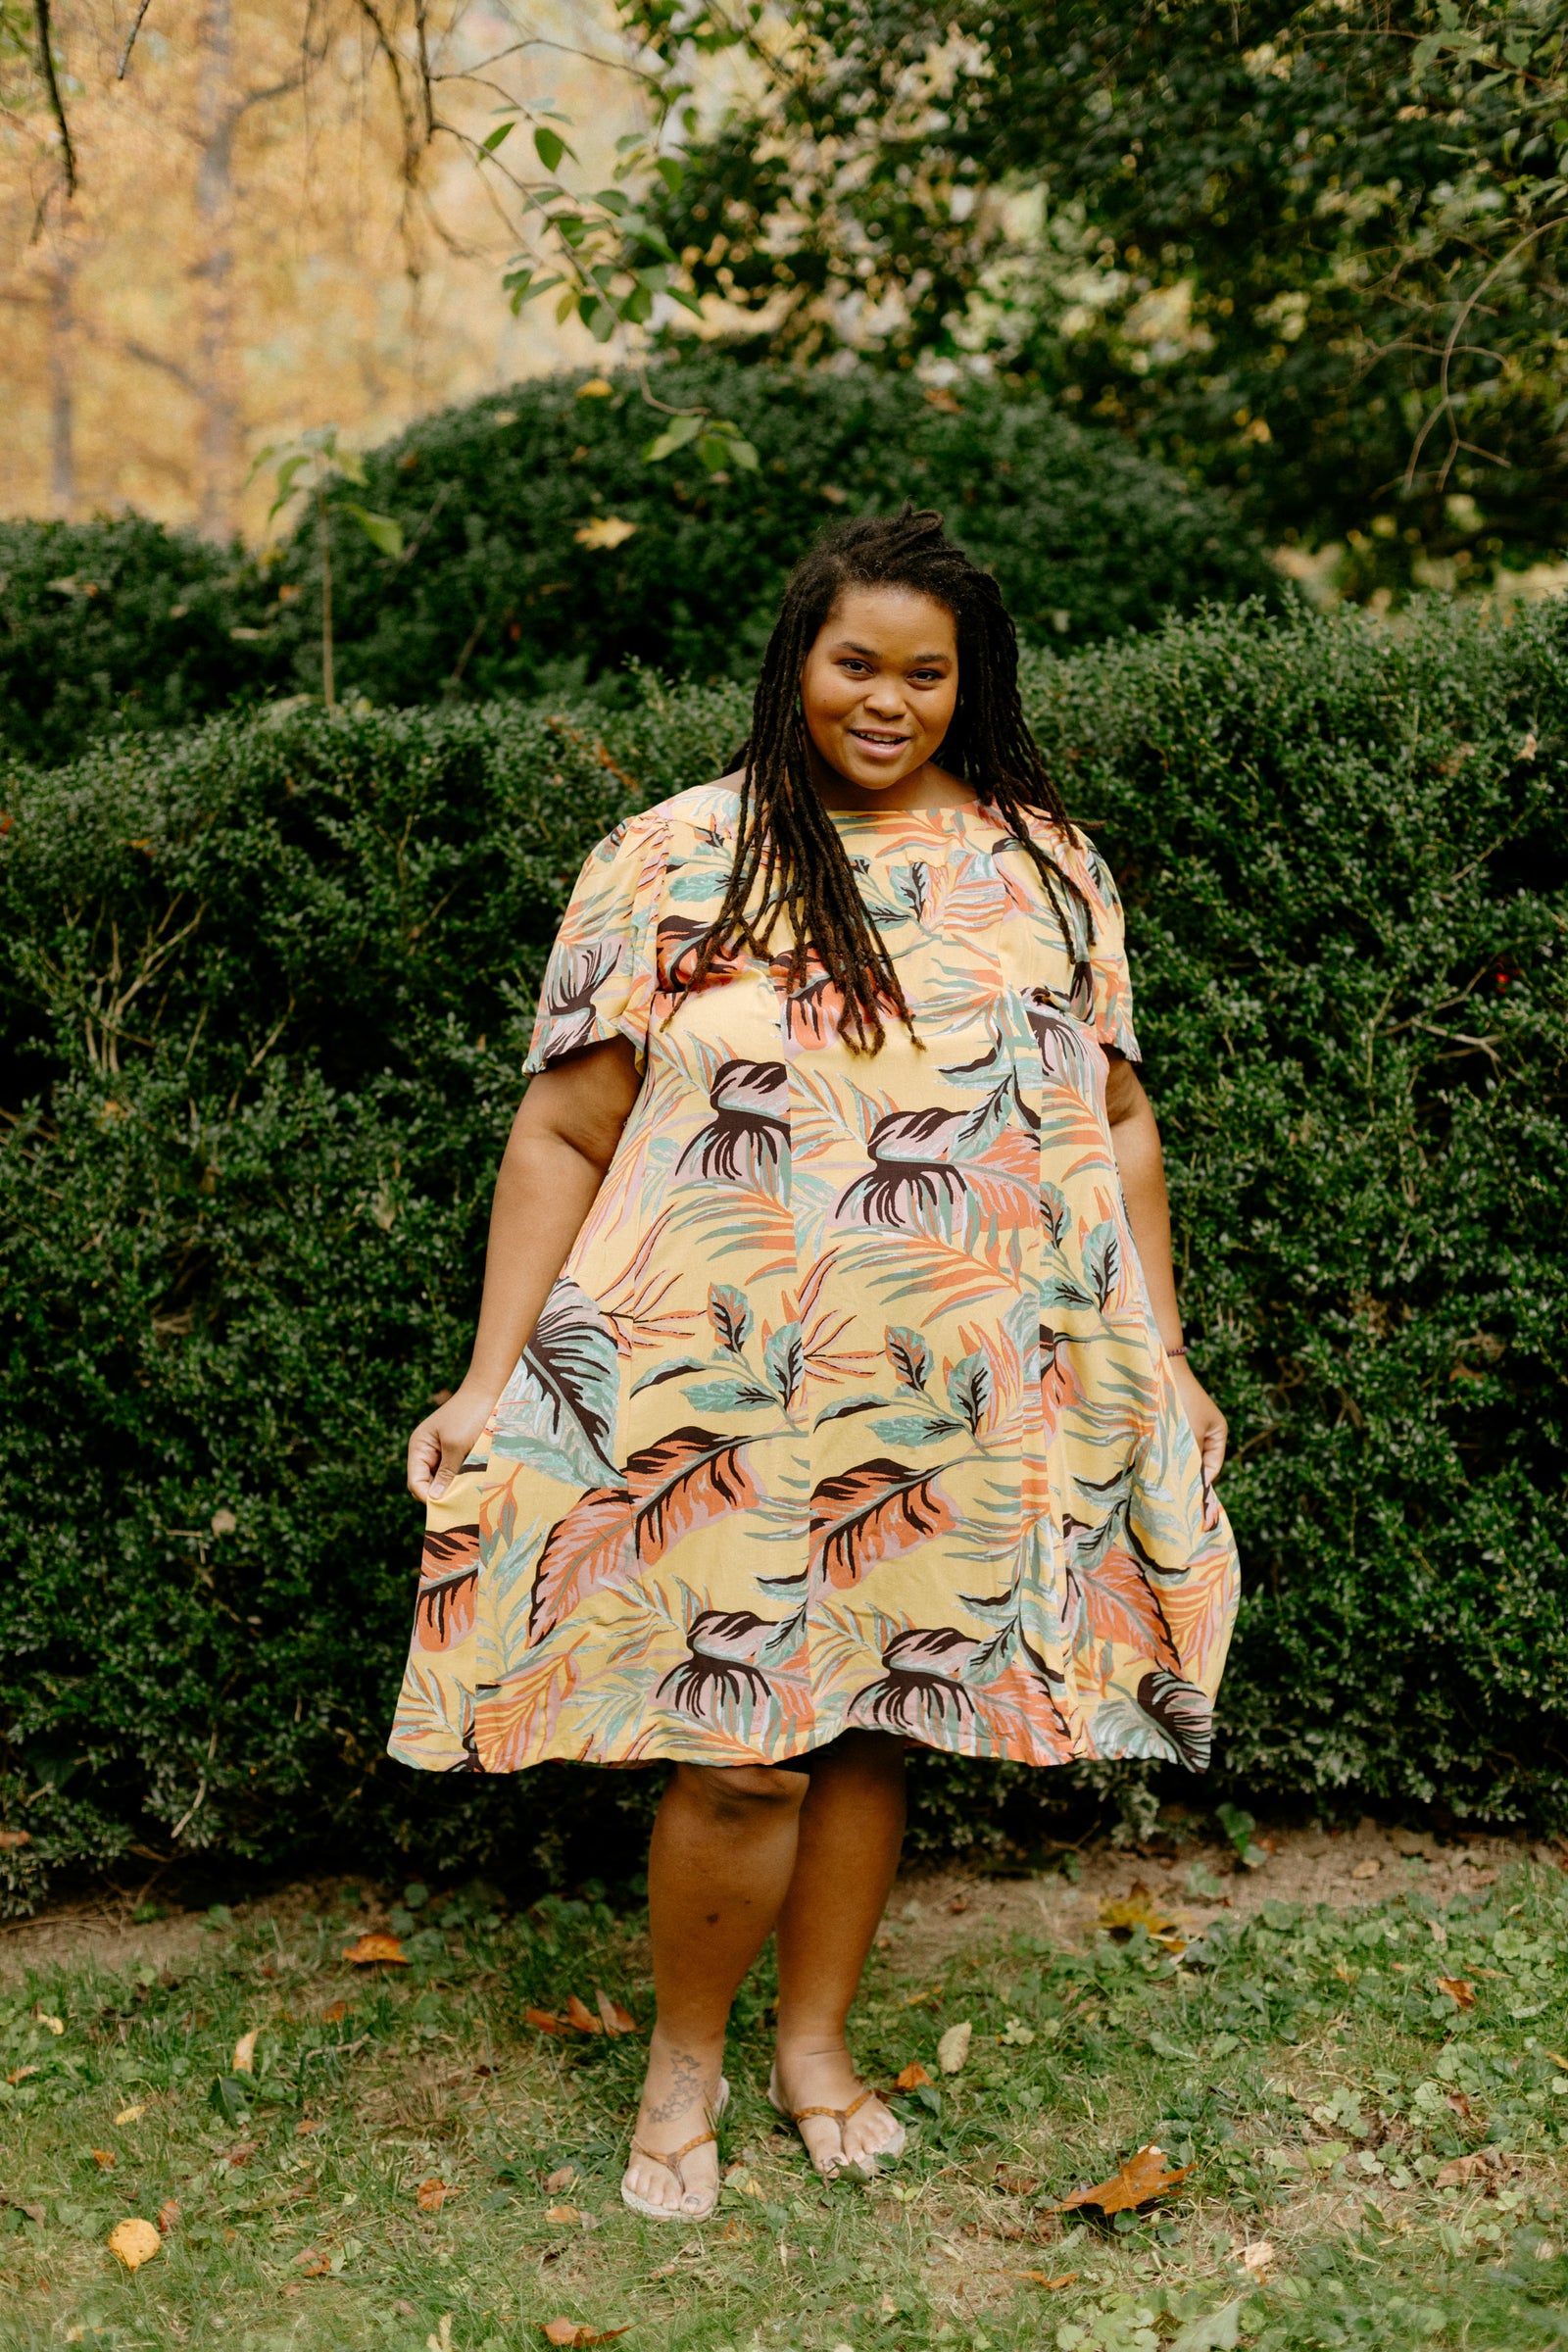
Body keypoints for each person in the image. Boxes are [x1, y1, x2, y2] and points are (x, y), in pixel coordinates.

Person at [388, 507, 1238, 2222]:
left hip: (950, 1387)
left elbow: (1120, 1121)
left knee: (873, 1723)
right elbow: (564, 1127)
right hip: (712, 1386)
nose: (888, 702)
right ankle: (684, 2061)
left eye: (927, 674)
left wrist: (1164, 1347)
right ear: (799, 662)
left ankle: (817, 2051)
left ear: (969, 685)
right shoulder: (674, 856)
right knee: (737, 1747)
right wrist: (490, 1380)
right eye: (858, 663)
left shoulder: (1047, 866)